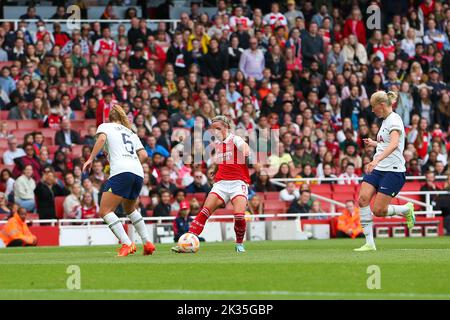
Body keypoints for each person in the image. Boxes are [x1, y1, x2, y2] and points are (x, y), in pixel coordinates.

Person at [82, 105, 155, 257]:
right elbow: (144, 155)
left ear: (109, 117)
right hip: (138, 172)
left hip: (121, 171)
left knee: (105, 211)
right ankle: (147, 243)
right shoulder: (131, 132)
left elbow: (101, 138)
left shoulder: (105, 126)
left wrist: (90, 159)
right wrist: (131, 164)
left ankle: (127, 243)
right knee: (130, 209)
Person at [173, 116, 251, 253]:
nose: (215, 132)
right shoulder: (218, 144)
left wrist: (245, 150)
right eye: (213, 129)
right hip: (221, 183)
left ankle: (239, 244)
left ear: (226, 128)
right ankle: (187, 242)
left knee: (239, 215)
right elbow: (223, 161)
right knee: (204, 211)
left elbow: (244, 147)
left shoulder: (235, 139)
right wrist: (215, 170)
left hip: (238, 183)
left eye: (218, 128)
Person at [356, 91, 415, 252]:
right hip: (379, 169)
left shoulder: (394, 120)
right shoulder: (385, 120)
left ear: (382, 105)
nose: (372, 110)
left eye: (374, 107)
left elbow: (395, 144)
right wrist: (374, 143)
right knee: (362, 199)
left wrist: (375, 160)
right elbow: (387, 143)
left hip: (393, 171)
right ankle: (369, 243)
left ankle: (406, 209)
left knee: (378, 210)